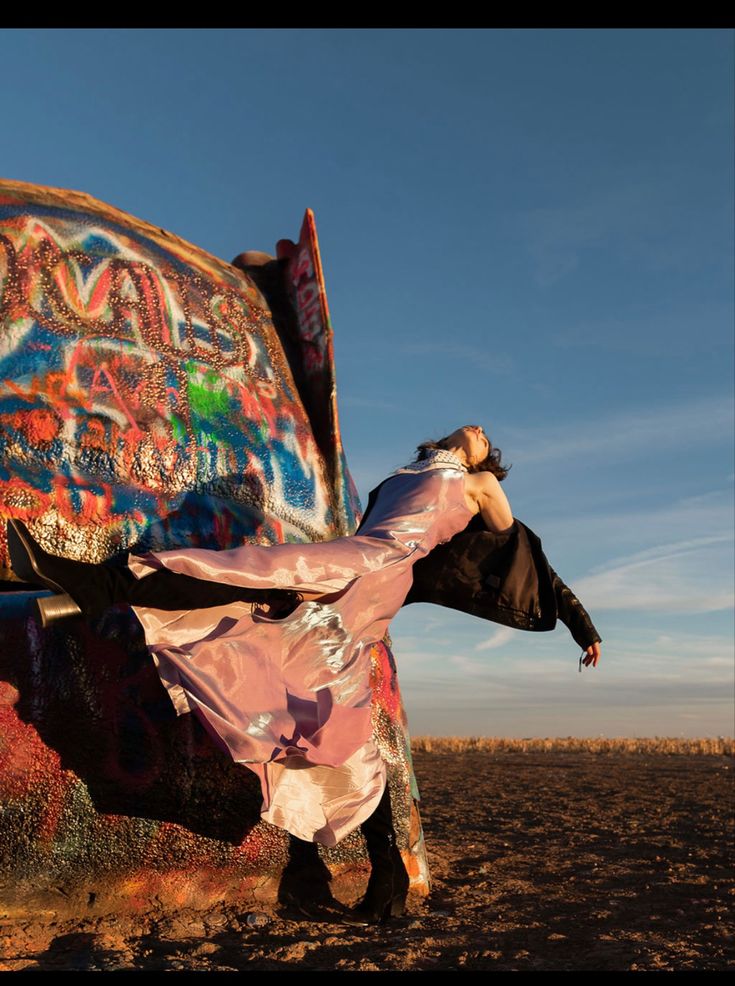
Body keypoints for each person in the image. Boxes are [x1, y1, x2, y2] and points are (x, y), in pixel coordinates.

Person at [6, 424, 601, 924]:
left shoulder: (479, 484)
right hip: (354, 572)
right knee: (316, 696)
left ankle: (90, 585)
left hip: (374, 569)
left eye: (483, 435)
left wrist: (581, 626)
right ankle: (387, 880)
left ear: (483, 457)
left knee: (249, 572)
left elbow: (525, 552)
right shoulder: (410, 473)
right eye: (470, 426)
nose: (474, 427)